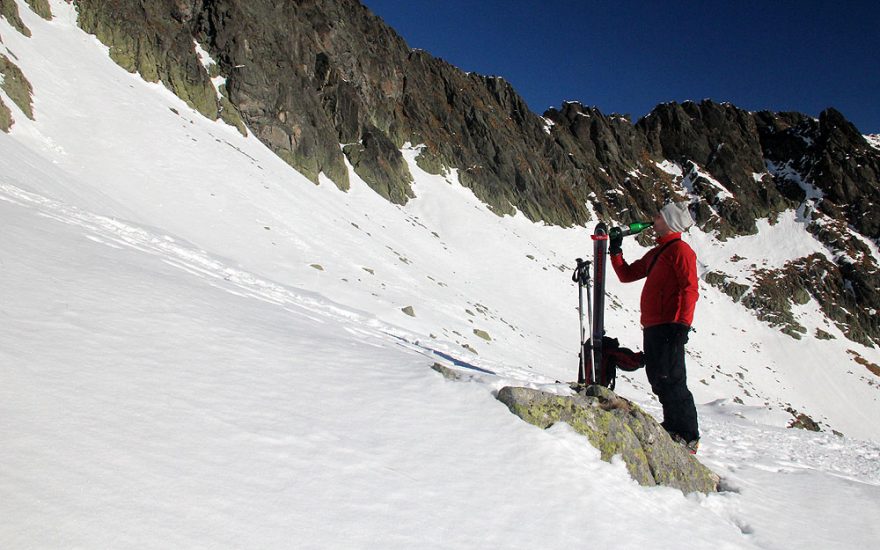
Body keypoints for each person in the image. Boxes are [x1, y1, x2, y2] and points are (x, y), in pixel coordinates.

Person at [609, 201, 700, 453]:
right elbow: (627, 275)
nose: (654, 219)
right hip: (653, 325)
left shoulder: (680, 251)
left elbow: (689, 289)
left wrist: (682, 325)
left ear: (669, 222)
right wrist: (615, 251)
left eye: (659, 216)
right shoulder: (659, 251)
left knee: (673, 379)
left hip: (670, 326)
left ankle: (688, 436)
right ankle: (673, 427)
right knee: (659, 379)